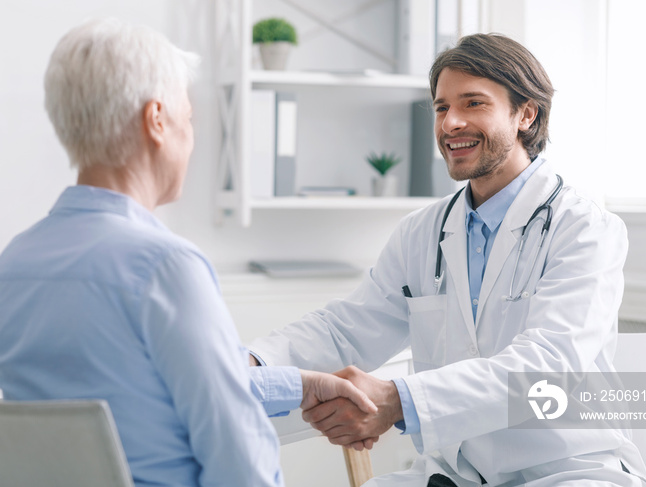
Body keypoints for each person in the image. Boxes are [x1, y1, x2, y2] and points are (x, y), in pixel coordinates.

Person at [249, 34, 646, 487]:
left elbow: (547, 365)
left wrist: (399, 401)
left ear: (526, 114)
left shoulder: (584, 228)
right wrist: (252, 363)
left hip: (566, 472)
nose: (451, 123)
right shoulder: (423, 231)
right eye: (441, 108)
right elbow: (346, 327)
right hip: (457, 475)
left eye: (473, 103)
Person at [0, 18, 376, 487]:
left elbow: (142, 393)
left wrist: (300, 384)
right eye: (189, 117)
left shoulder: (14, 263)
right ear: (156, 120)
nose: (191, 136)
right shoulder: (164, 267)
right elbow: (238, 457)